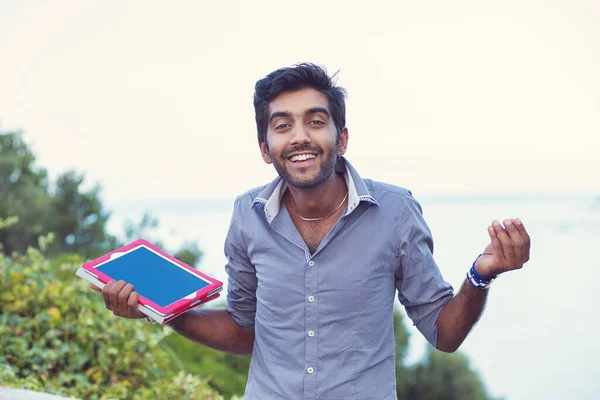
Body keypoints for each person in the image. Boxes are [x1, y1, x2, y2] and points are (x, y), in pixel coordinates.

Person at [92, 63, 531, 399]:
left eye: (315, 121)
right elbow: (245, 331)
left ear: (341, 139)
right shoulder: (247, 215)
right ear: (266, 149)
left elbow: (445, 333)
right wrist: (162, 310)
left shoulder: (395, 211)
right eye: (283, 125)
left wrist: (481, 274)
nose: (299, 136)